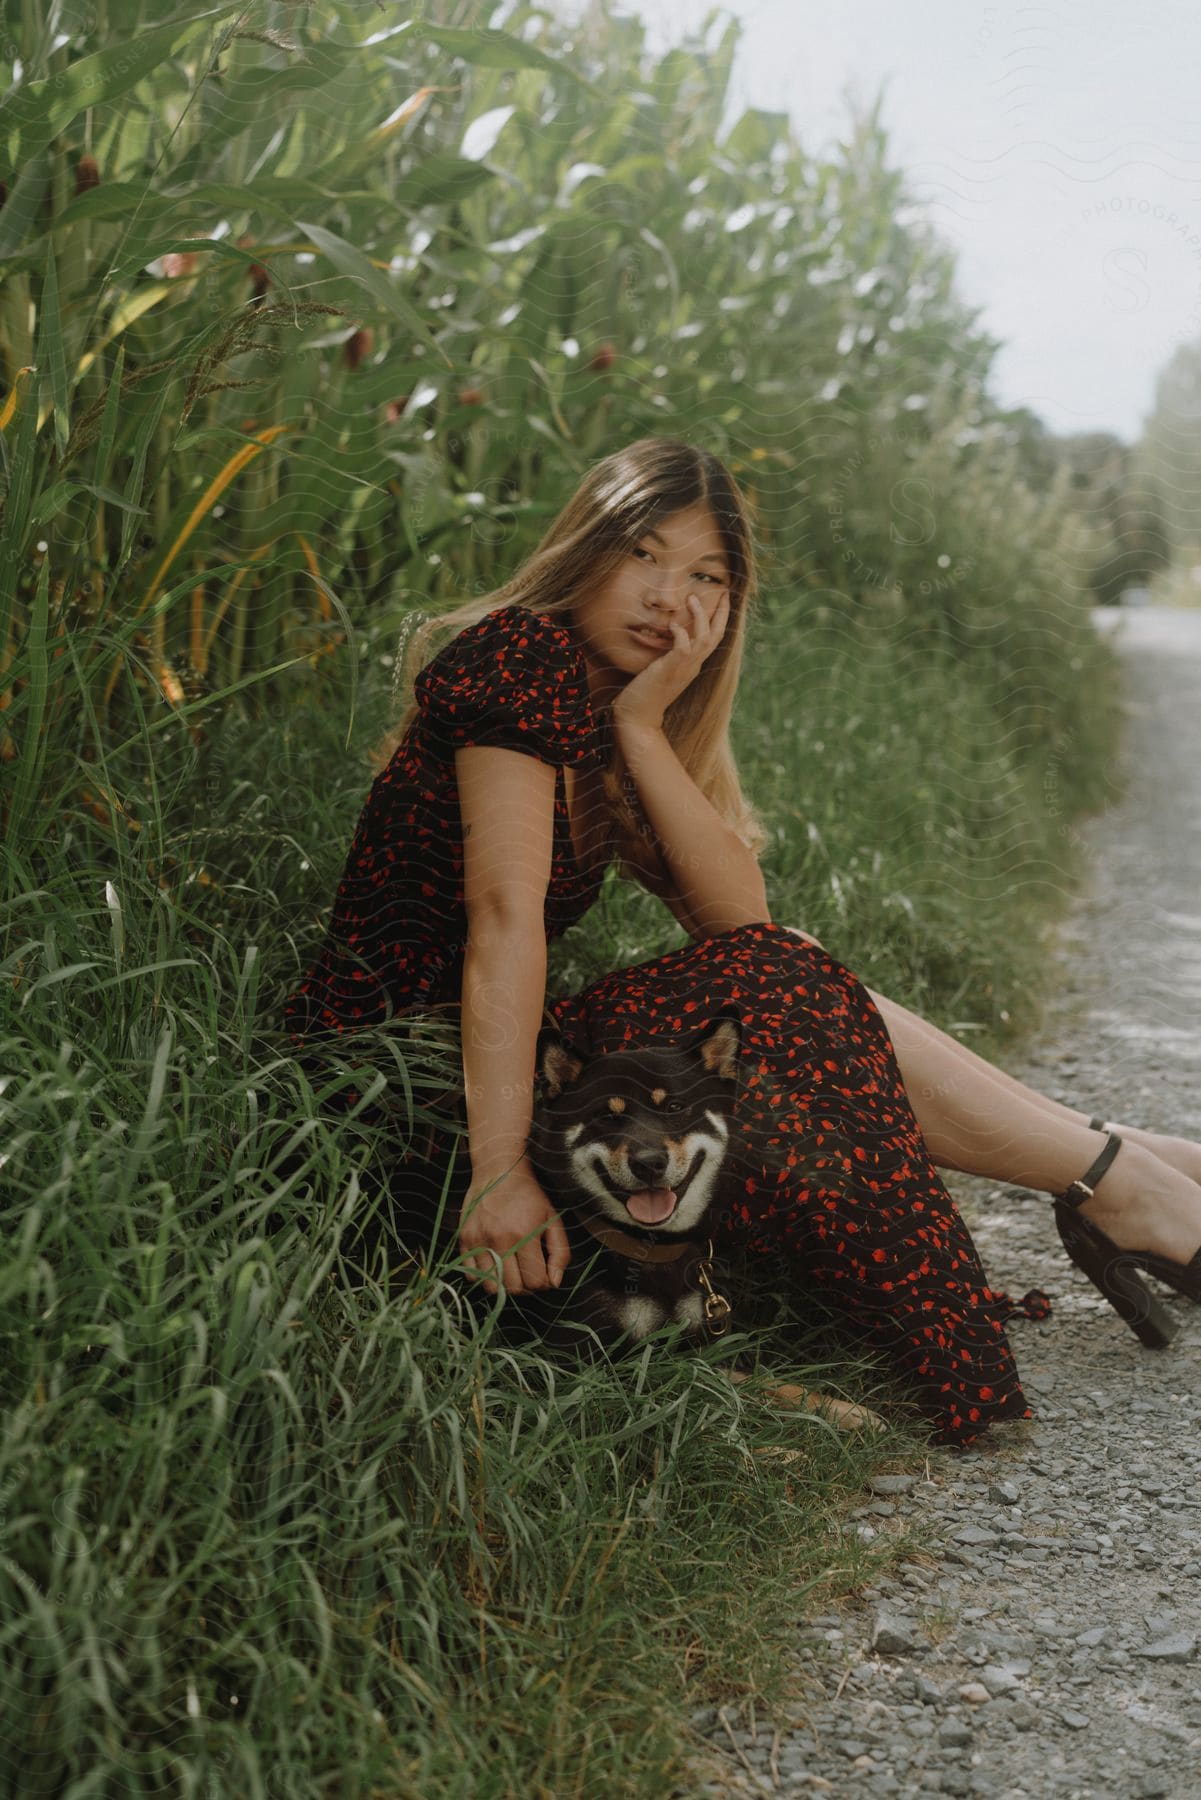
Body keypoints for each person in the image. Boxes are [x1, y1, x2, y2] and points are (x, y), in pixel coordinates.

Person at [281, 436, 1201, 1447]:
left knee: (786, 964)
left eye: (705, 576)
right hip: (393, 1103)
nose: (667, 597)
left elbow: (738, 923)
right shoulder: (519, 659)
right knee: (782, 982)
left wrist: (642, 729)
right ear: (587, 546)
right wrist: (499, 1170)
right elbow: (502, 922)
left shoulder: (600, 704)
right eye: (643, 553)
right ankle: (1119, 1179)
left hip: (461, 1066)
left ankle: (1121, 1168)